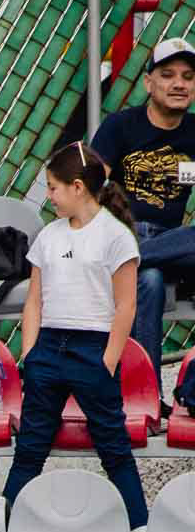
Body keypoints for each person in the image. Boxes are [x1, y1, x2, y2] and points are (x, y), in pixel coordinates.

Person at [4, 144, 149, 532]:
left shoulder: (116, 237)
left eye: (53, 187)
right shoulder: (49, 236)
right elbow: (34, 300)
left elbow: (126, 306)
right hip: (49, 347)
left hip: (93, 348)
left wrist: (108, 361)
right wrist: (31, 354)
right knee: (30, 447)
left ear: (79, 187)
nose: (49, 195)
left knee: (113, 448)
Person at [91, 37, 195, 376]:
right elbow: (87, 188)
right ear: (149, 83)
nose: (179, 84)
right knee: (147, 279)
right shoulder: (120, 126)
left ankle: (132, 258)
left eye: (188, 77)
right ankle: (144, 389)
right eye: (168, 75)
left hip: (171, 244)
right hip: (123, 234)